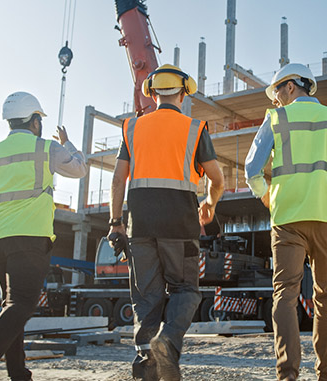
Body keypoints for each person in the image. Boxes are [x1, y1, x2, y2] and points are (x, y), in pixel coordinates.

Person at [244, 63, 327, 381]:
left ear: (290, 86)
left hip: (287, 220)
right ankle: (325, 374)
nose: (276, 101)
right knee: (326, 297)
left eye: (277, 93)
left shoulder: (277, 119)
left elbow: (251, 168)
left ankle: (288, 375)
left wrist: (265, 195)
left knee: (285, 295)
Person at [0, 91, 89, 381]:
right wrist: (68, 143)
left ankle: (19, 374)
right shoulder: (46, 148)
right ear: (35, 121)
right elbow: (79, 168)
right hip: (30, 237)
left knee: (11, 307)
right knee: (22, 305)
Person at [108, 64, 224, 381]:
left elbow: (118, 180)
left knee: (146, 300)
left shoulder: (132, 127)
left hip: (140, 227)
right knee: (186, 290)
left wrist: (115, 222)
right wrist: (209, 204)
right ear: (183, 93)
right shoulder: (195, 128)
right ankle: (169, 340)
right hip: (181, 226)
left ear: (153, 92)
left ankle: (146, 366)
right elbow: (217, 178)